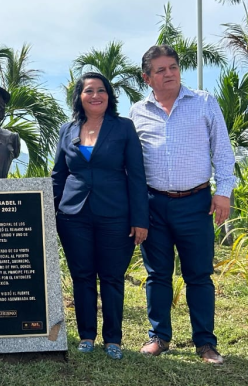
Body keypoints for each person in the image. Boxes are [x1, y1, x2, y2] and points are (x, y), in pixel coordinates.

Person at [130, 45, 235, 365]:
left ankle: (205, 343)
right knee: (157, 275)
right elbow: (131, 166)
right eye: (160, 70)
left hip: (197, 204)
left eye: (173, 67)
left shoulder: (203, 102)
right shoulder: (137, 112)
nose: (169, 73)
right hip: (153, 206)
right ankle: (159, 337)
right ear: (147, 78)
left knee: (199, 275)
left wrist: (224, 192)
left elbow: (223, 151)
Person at [51, 71, 148, 360]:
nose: (96, 95)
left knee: (112, 277)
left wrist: (140, 219)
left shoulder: (123, 128)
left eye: (101, 90)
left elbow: (137, 176)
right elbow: (59, 175)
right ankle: (86, 335)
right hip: (72, 215)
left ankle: (113, 339)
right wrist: (47, 213)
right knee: (81, 276)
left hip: (115, 214)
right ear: (79, 98)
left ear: (109, 95)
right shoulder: (67, 130)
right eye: (89, 91)